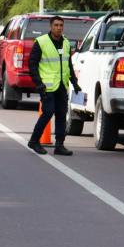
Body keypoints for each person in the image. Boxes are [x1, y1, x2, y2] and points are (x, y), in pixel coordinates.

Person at [27, 16, 81, 156]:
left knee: (62, 115)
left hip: (62, 85)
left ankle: (59, 145)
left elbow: (68, 64)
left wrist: (74, 82)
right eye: (56, 25)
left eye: (61, 25)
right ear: (51, 26)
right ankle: (34, 141)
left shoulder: (66, 43)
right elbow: (32, 64)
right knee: (48, 112)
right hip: (47, 85)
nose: (59, 28)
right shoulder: (41, 42)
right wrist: (38, 83)